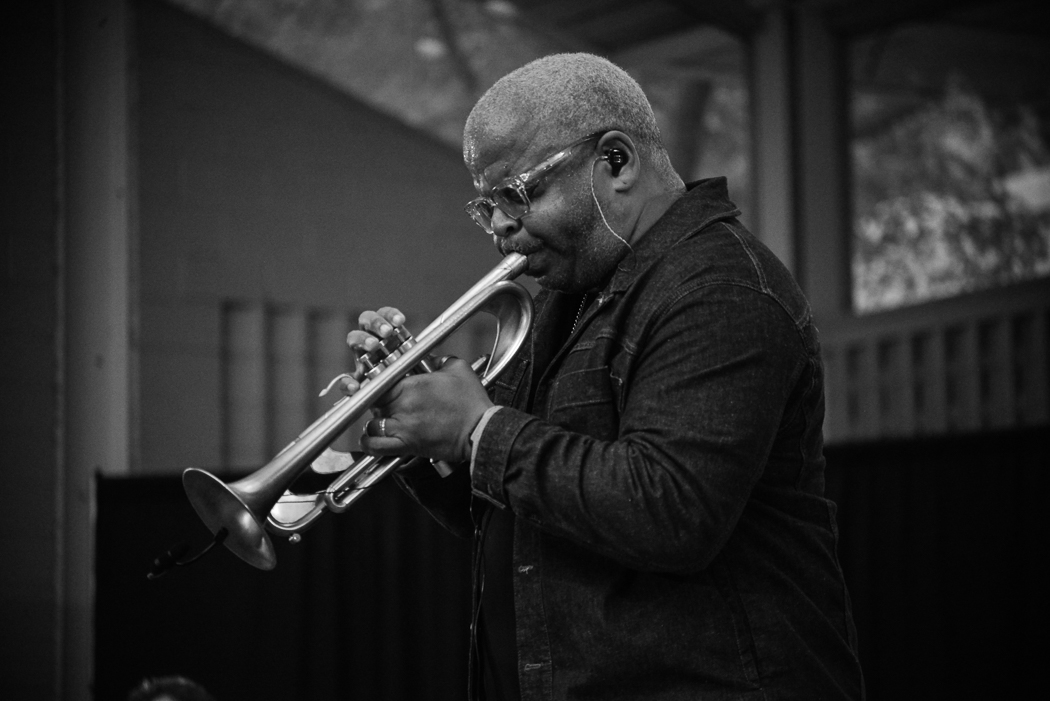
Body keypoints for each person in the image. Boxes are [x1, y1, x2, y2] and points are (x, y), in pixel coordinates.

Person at [343, 53, 864, 700]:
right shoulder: (568, 299)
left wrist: (477, 428)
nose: (501, 226)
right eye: (486, 206)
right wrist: (423, 435)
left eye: (517, 193)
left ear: (615, 161)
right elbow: (515, 512)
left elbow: (672, 510)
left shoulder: (721, 287)